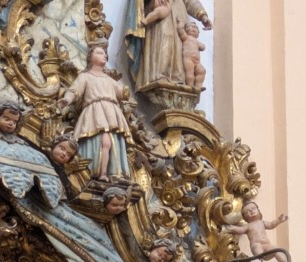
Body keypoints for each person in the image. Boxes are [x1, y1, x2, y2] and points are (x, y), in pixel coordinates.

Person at [58, 44, 131, 180]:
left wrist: (126, 92)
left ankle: (113, 172)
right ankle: (96, 172)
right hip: (95, 113)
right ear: (90, 58)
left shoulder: (109, 80)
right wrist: (67, 100)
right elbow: (74, 91)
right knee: (101, 140)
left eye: (105, 53)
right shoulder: (85, 77)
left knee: (111, 141)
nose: (104, 55)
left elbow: (123, 93)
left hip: (111, 113)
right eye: (99, 53)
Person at [125, 0, 212, 92]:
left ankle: (179, 79)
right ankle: (160, 76)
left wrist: (202, 15)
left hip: (179, 13)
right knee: (164, 39)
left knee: (180, 47)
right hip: (161, 10)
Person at [225, 200, 289, 262]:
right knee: (257, 247)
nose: (251, 211)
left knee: (276, 249)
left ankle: (283, 261)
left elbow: (271, 225)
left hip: (267, 245)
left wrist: (278, 220)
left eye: (253, 209)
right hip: (256, 244)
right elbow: (240, 230)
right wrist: (232, 228)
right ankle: (260, 257)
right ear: (244, 217)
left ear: (258, 210)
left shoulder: (262, 222)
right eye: (247, 212)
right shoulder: (248, 226)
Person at [176, 20, 206, 89]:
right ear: (186, 30)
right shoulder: (186, 37)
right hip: (188, 59)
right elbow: (180, 30)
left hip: (197, 61)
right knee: (190, 73)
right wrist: (181, 23)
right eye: (191, 27)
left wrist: (203, 46)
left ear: (198, 32)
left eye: (195, 28)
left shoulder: (197, 42)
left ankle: (198, 86)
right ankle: (190, 85)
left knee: (202, 71)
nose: (193, 29)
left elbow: (202, 47)